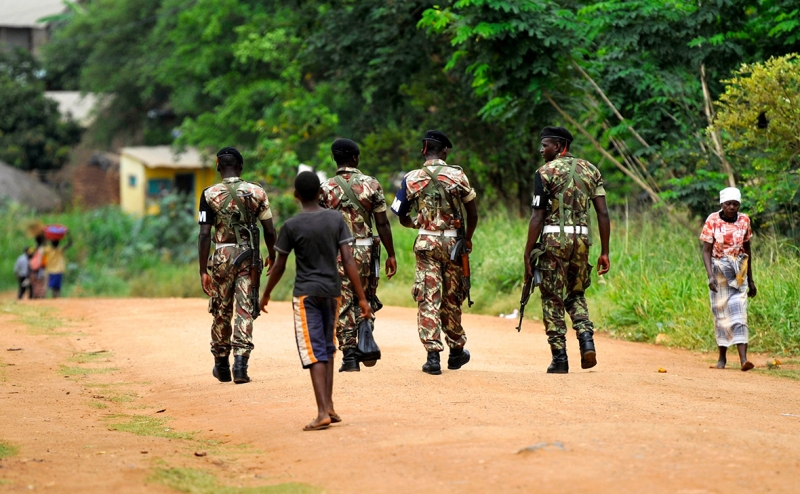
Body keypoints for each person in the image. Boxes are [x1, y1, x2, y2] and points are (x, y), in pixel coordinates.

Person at [260, 171, 372, 431]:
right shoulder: (335, 219)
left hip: (306, 294)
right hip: (332, 293)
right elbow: (348, 260)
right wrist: (362, 297)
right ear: (321, 193)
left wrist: (266, 294)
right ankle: (329, 406)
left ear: (296, 195)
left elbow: (278, 266)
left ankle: (322, 411)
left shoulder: (291, 225)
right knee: (328, 347)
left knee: (314, 352)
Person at [391, 130, 478, 375]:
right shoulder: (457, 175)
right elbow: (473, 212)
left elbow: (399, 212)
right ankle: (457, 351)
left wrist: (415, 223)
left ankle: (432, 357)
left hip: (426, 243)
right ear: (445, 151)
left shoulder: (412, 178)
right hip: (453, 245)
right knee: (452, 297)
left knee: (428, 296)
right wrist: (467, 239)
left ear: (424, 150)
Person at [523, 126, 610, 374]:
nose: (541, 150)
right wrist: (605, 251)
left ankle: (560, 358)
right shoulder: (592, 170)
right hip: (582, 242)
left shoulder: (544, 173)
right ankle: (586, 339)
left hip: (553, 242)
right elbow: (603, 212)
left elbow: (537, 216)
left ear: (560, 146)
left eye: (545, 145)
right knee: (576, 291)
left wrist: (528, 251)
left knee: (552, 296)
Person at [198, 147, 277, 384]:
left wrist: (203, 270)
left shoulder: (209, 194)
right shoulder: (257, 191)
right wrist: (272, 254)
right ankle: (241, 366)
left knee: (221, 309)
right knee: (245, 308)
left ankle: (221, 365)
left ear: (218, 166)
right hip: (249, 256)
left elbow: (204, 234)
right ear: (240, 167)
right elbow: (270, 229)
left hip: (221, 256)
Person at [319, 138, 397, 372]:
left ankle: (350, 356)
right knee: (366, 295)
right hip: (365, 249)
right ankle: (366, 336)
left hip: (337, 251)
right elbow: (382, 223)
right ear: (355, 158)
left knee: (342, 301)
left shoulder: (325, 188)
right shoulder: (372, 184)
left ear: (335, 159)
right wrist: (391, 254)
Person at [700, 187, 756, 371]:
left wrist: (751, 280)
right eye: (728, 204)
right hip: (719, 269)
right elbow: (706, 251)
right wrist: (710, 276)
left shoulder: (744, 220)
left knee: (740, 312)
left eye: (735, 204)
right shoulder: (712, 220)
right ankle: (722, 358)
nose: (732, 207)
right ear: (722, 205)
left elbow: (747, 250)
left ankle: (743, 360)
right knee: (721, 313)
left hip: (739, 269)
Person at [44, 234, 72, 298]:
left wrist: (45, 235)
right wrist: (68, 234)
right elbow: (69, 244)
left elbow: (44, 243)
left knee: (53, 287)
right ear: (58, 243)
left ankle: (55, 298)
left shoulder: (48, 249)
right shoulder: (60, 250)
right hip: (58, 270)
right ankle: (57, 298)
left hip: (51, 270)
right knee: (57, 287)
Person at [29, 233, 47, 299]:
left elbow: (29, 257)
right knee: (42, 285)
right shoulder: (44, 250)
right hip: (41, 268)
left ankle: (36, 297)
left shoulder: (32, 249)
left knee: (35, 286)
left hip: (33, 269)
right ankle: (41, 297)